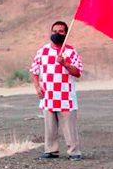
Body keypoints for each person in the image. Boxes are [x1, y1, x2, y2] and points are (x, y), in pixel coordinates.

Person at [30, 21, 83, 161]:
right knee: (50, 127)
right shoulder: (43, 51)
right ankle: (51, 151)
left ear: (66, 33)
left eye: (60, 32)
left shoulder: (71, 51)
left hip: (66, 96)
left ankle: (74, 152)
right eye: (54, 31)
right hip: (48, 95)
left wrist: (65, 63)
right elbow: (34, 70)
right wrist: (37, 87)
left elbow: (77, 72)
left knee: (69, 127)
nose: (56, 34)